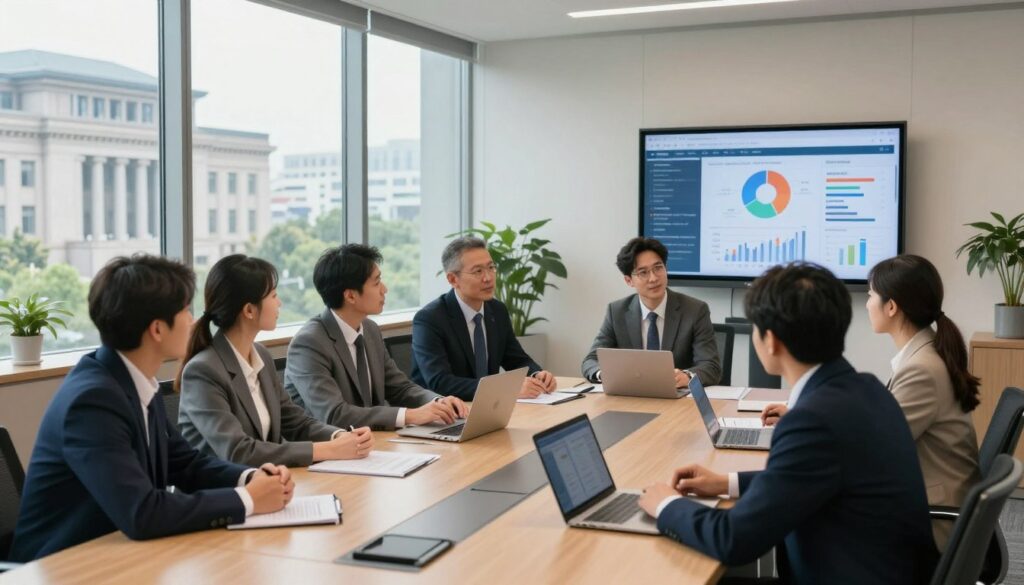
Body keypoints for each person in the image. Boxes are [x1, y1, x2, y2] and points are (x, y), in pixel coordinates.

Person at [638, 263, 938, 584]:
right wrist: (727, 483)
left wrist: (667, 505)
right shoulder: (864, 387)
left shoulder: (814, 421)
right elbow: (806, 475)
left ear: (771, 341)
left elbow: (734, 540)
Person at [10, 255, 294, 562]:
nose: (193, 319)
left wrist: (251, 477)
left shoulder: (133, 381)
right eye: (185, 310)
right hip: (61, 566)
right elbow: (142, 512)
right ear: (157, 329)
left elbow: (186, 465)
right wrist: (247, 500)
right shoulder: (92, 401)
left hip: (119, 556)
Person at [761, 254, 981, 550]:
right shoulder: (924, 353)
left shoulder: (922, 369)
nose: (866, 304)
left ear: (891, 307)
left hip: (933, 521)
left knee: (811, 521)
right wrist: (801, 415)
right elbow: (874, 426)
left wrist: (809, 428)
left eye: (870, 295)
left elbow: (872, 444)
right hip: (929, 498)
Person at [177, 254, 374, 468]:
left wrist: (339, 436)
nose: (279, 302)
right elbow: (238, 451)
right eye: (273, 295)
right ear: (249, 310)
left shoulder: (260, 355)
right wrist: (327, 450)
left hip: (268, 484)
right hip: (223, 494)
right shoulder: (203, 371)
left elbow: (294, 421)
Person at [286, 244, 467, 430]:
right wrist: (410, 415)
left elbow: (400, 388)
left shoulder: (369, 329)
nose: (384, 289)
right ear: (350, 296)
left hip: (375, 442)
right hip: (330, 452)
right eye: (376, 282)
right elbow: (334, 414)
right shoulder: (309, 343)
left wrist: (439, 402)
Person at [410, 236, 557, 400]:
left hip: (488, 408)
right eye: (478, 271)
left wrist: (537, 375)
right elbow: (440, 382)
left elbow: (516, 360)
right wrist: (504, 389)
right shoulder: (430, 319)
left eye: (491, 267)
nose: (488, 278)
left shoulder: (497, 310)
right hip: (443, 413)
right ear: (453, 279)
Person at [581, 237, 720, 387]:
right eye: (643, 272)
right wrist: (605, 374)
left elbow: (710, 366)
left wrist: (687, 376)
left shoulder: (695, 310)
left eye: (658, 268)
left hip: (678, 400)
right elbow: (591, 361)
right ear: (629, 281)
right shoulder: (617, 312)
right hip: (632, 398)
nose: (653, 278)